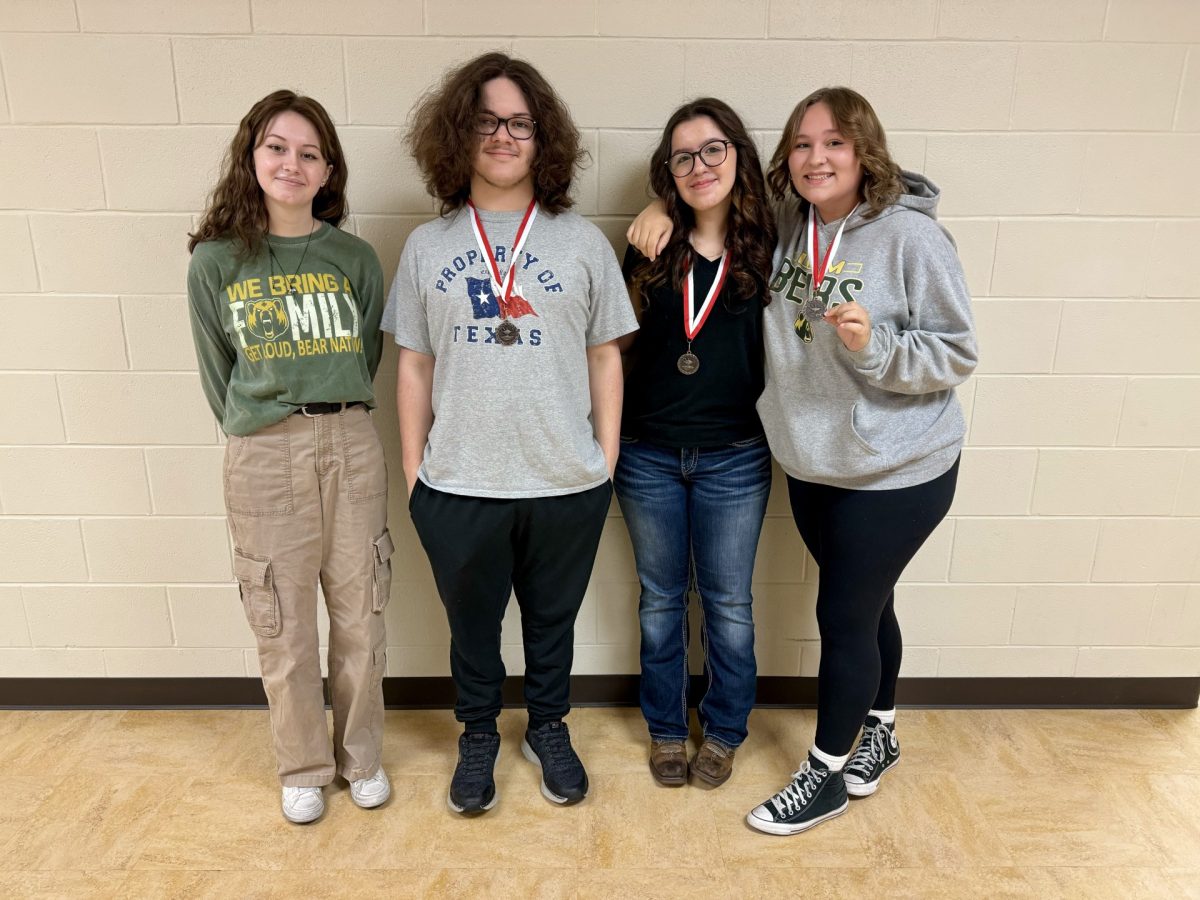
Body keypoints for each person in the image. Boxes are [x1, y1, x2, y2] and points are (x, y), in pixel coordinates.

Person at [628, 86, 977, 834]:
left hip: (897, 467)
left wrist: (875, 346)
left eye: (835, 143)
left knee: (843, 614)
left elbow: (957, 352)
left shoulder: (910, 238)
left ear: (864, 152)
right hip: (818, 463)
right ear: (785, 160)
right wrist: (663, 207)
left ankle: (822, 776)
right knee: (871, 603)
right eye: (804, 144)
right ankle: (878, 730)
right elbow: (709, 214)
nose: (818, 157)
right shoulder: (787, 227)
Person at [384, 52, 637, 815]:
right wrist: (415, 476)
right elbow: (413, 369)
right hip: (458, 482)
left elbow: (605, 357)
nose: (504, 135)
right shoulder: (429, 247)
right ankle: (478, 735)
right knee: (472, 628)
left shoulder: (582, 243)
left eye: (519, 122)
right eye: (488, 120)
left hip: (566, 480)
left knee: (552, 622)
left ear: (542, 138)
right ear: (460, 134)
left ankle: (549, 728)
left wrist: (606, 460)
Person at [187, 90, 392, 825]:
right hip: (264, 451)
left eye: (309, 152)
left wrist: (326, 417)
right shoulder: (215, 263)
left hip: (350, 445)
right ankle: (303, 766)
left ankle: (361, 756)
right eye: (276, 146)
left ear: (328, 169)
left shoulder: (353, 258)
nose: (291, 163)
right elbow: (220, 375)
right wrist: (267, 429)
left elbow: (365, 352)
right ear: (252, 156)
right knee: (283, 623)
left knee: (362, 614)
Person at [615, 99, 776, 789]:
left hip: (736, 457)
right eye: (681, 157)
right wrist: (658, 207)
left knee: (729, 604)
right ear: (667, 171)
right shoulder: (648, 243)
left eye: (713, 150)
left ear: (738, 154)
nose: (699, 166)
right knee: (659, 601)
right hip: (647, 453)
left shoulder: (774, 246)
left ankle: (728, 726)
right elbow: (616, 345)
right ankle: (666, 727)